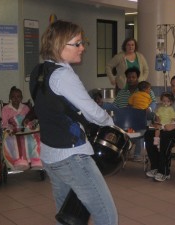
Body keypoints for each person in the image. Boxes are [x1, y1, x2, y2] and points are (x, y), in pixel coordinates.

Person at [29, 20, 117, 225]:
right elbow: (93, 112)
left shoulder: (39, 71)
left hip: (50, 154)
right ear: (60, 45)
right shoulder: (63, 76)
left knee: (69, 217)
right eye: (77, 43)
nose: (82, 47)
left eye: (82, 42)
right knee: (107, 216)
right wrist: (110, 121)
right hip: (72, 156)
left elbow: (54, 108)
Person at [113, 67, 156, 162]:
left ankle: (137, 154)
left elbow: (153, 103)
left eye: (133, 77)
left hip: (141, 120)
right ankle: (122, 152)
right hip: (124, 122)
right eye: (129, 77)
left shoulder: (146, 90)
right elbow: (115, 106)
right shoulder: (121, 93)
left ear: (137, 78)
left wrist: (148, 109)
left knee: (140, 128)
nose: (131, 79)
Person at [1, 86, 42, 171]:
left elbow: (30, 120)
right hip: (13, 131)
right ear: (10, 98)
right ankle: (20, 161)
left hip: (25, 130)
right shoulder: (6, 109)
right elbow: (4, 123)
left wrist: (30, 124)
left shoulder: (25, 108)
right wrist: (10, 128)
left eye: (18, 97)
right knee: (13, 141)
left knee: (34, 138)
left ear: (21, 98)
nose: (16, 99)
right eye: (13, 97)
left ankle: (36, 160)